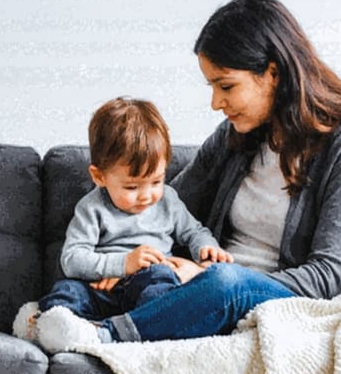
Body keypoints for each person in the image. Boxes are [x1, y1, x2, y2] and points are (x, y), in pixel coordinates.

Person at [35, 0, 341, 354]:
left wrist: (206, 279)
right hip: (206, 287)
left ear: (272, 73)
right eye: (211, 87)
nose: (215, 103)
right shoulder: (235, 137)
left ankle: (104, 337)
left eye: (226, 86)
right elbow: (164, 211)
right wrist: (126, 264)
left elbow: (324, 276)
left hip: (267, 293)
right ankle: (62, 321)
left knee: (226, 281)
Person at [16, 97, 233, 343]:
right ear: (99, 176)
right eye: (132, 186)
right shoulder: (92, 208)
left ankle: (136, 330)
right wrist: (124, 263)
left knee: (162, 281)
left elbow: (194, 232)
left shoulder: (168, 201)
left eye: (156, 181)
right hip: (101, 290)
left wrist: (207, 247)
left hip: (148, 284)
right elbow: (72, 259)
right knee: (66, 292)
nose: (146, 195)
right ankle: (51, 327)